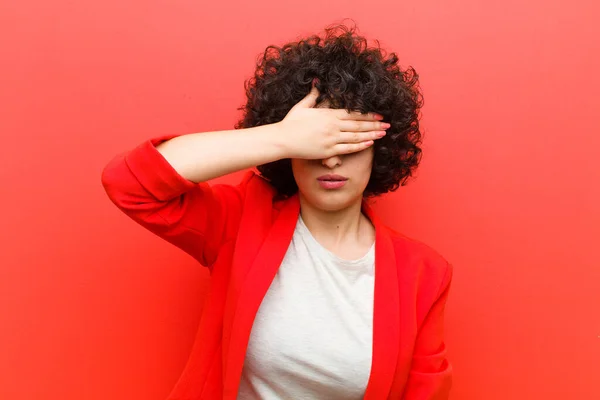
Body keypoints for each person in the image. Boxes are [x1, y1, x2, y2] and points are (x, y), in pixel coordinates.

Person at [101, 22, 453, 400]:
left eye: (350, 141)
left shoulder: (423, 273)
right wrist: (281, 136)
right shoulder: (241, 220)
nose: (331, 159)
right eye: (317, 142)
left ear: (378, 151)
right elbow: (129, 184)